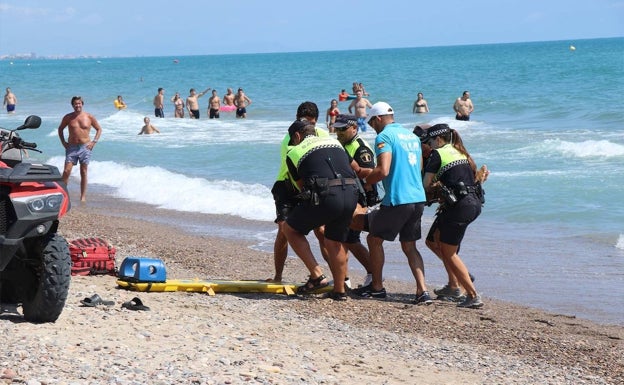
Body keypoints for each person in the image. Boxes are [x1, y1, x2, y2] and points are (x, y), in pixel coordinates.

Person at [351, 102, 432, 305]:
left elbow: (383, 170)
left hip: (398, 199)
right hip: (417, 197)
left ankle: (377, 287)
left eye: (371, 122)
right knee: (410, 246)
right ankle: (422, 291)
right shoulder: (412, 137)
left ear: (378, 118)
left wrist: (365, 181)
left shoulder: (384, 136)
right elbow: (419, 168)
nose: (371, 127)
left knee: (374, 239)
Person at [283, 119, 359, 300]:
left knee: (290, 229)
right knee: (334, 242)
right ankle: (339, 291)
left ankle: (317, 276)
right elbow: (355, 168)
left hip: (327, 195)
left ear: (297, 136)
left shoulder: (293, 151)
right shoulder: (335, 143)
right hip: (351, 193)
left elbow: (302, 186)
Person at [422, 124, 487, 309]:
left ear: (438, 140)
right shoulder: (460, 152)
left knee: (449, 253)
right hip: (473, 203)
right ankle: (454, 285)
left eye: (429, 141)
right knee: (434, 240)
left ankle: (473, 295)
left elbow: (426, 184)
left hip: (459, 207)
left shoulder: (438, 154)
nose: (428, 145)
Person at [270, 101, 330, 283]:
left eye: (310, 123)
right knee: (283, 231)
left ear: (316, 122)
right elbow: (294, 169)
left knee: (321, 230)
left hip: (310, 185)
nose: (306, 126)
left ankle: (341, 277)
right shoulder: (291, 137)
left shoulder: (323, 135)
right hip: (287, 185)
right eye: (303, 121)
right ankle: (278, 276)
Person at [334, 114, 379, 287]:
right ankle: (344, 278)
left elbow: (371, 173)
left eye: (343, 129)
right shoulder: (344, 144)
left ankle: (374, 274)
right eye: (337, 129)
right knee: (344, 238)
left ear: (354, 128)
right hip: (348, 194)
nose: (339, 132)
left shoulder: (360, 147)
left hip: (360, 198)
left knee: (350, 239)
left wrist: (356, 170)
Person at [57, 96, 102, 203]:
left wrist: (94, 142)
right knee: (66, 171)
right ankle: (62, 194)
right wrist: (63, 142)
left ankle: (82, 196)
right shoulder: (68, 117)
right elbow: (60, 129)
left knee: (84, 171)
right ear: (72, 105)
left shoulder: (89, 117)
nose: (77, 105)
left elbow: (99, 129)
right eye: (75, 104)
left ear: (82, 104)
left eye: (79, 103)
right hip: (71, 147)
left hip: (85, 147)